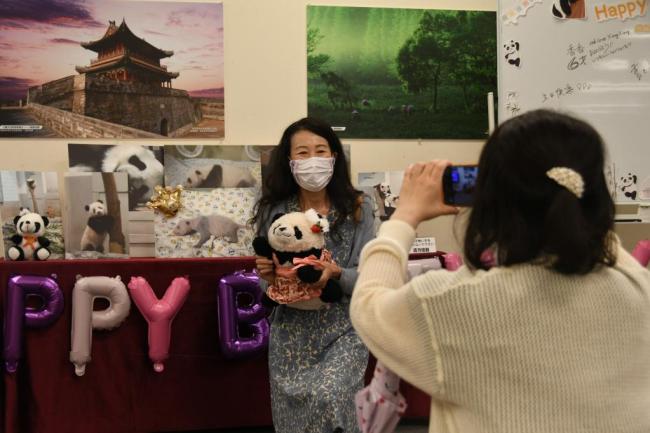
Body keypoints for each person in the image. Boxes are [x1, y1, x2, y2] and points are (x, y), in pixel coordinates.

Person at [350, 109, 650, 433]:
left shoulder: (451, 304)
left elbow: (369, 305)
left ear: (489, 198)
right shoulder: (635, 286)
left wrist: (404, 215)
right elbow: (604, 244)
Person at [252, 117, 375, 433]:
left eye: (321, 151)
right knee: (293, 419)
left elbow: (370, 274)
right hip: (291, 331)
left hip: (343, 327)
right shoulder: (273, 209)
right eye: (303, 153)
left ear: (334, 157)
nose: (313, 160)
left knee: (331, 397)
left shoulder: (359, 206)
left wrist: (335, 274)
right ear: (289, 160)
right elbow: (271, 274)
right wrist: (266, 272)